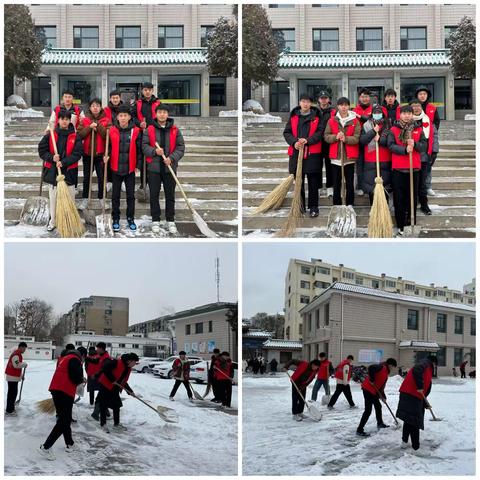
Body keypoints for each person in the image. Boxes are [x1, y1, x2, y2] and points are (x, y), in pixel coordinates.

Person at [142, 104, 185, 235]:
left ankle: (170, 220)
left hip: (169, 168)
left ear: (167, 114)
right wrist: (155, 151)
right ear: (156, 114)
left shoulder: (175, 130)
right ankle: (155, 220)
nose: (162, 114)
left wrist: (171, 158)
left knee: (170, 195)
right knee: (154, 195)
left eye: (164, 112)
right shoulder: (149, 130)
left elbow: (181, 147)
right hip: (154, 169)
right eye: (159, 112)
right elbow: (144, 146)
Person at [38, 109, 83, 232]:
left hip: (69, 172)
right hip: (53, 173)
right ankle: (53, 221)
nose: (64, 121)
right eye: (62, 119)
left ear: (70, 121)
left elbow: (77, 154)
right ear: (58, 120)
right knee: (53, 199)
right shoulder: (51, 135)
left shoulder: (75, 136)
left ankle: (69, 221)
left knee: (70, 199)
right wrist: (52, 158)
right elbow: (42, 150)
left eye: (67, 119)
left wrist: (63, 162)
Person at [387, 105, 428, 236]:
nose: (407, 115)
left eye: (409, 113)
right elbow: (390, 146)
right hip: (399, 169)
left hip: (413, 168)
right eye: (404, 113)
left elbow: (423, 146)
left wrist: (414, 144)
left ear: (412, 114)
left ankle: (411, 223)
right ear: (400, 115)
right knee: (399, 199)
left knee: (412, 198)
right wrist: (404, 150)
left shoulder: (418, 129)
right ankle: (400, 225)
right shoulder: (393, 129)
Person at [39, 348, 85, 460]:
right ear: (82, 355)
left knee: (65, 419)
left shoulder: (66, 358)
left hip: (57, 389)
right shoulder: (75, 360)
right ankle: (45, 448)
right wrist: (81, 379)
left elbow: (68, 373)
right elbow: (75, 377)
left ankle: (70, 444)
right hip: (64, 391)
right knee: (63, 421)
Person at [283, 94, 324, 217]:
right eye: (303, 101)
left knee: (313, 182)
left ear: (311, 103)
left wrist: (308, 140)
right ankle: (300, 206)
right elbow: (287, 132)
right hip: (296, 154)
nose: (305, 104)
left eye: (308, 102)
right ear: (300, 102)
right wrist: (294, 142)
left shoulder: (317, 117)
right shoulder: (294, 116)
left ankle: (313, 207)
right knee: (298, 181)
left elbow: (320, 132)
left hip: (312, 154)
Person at [106, 104, 142, 232]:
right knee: (115, 195)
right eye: (120, 115)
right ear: (117, 117)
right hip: (115, 168)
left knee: (130, 196)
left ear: (129, 117)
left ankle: (130, 218)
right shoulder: (112, 130)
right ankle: (115, 218)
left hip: (130, 169)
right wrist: (107, 156)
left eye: (125, 115)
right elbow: (108, 148)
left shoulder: (136, 131)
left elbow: (139, 150)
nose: (122, 118)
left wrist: (138, 165)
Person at [396, 354, 437, 453]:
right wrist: (419, 386)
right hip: (412, 394)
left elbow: (426, 388)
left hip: (409, 393)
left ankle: (404, 442)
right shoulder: (426, 363)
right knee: (415, 420)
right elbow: (417, 370)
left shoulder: (427, 367)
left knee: (408, 418)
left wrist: (424, 403)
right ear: (434, 363)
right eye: (435, 365)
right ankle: (416, 447)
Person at [324, 97, 361, 207]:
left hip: (349, 158)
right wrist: (336, 137)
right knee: (336, 183)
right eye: (341, 105)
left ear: (349, 106)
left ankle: (350, 204)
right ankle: (337, 205)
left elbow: (357, 137)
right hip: (336, 158)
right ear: (338, 106)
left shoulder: (355, 121)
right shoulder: (332, 120)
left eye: (346, 105)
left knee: (349, 183)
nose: (343, 107)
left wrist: (346, 139)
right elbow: (326, 136)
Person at [77, 98, 111, 200]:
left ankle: (102, 198)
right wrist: (89, 127)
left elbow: (107, 135)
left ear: (101, 107)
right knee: (87, 177)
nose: (95, 108)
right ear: (90, 108)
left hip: (101, 154)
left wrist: (98, 126)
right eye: (93, 106)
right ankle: (85, 197)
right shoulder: (85, 120)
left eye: (97, 106)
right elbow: (79, 135)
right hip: (88, 154)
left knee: (101, 177)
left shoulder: (106, 120)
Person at [96, 353, 139, 433]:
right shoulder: (116, 362)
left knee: (117, 405)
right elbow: (105, 368)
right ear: (129, 361)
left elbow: (123, 382)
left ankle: (116, 424)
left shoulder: (127, 368)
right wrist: (112, 379)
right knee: (103, 404)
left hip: (114, 388)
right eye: (134, 363)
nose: (134, 365)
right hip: (105, 385)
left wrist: (130, 392)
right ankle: (103, 424)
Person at [356, 358, 398, 436]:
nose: (392, 369)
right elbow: (371, 368)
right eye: (392, 367)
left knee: (378, 406)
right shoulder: (382, 367)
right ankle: (359, 429)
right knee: (368, 410)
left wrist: (383, 397)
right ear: (390, 365)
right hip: (368, 389)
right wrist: (372, 379)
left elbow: (381, 387)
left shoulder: (386, 373)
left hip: (374, 391)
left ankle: (380, 423)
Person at [359, 104, 392, 205]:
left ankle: (384, 208)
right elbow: (362, 141)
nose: (377, 114)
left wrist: (380, 139)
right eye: (375, 113)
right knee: (371, 186)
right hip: (370, 159)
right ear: (372, 114)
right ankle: (374, 209)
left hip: (385, 159)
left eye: (379, 113)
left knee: (384, 185)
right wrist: (373, 131)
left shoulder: (388, 125)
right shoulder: (366, 125)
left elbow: (390, 141)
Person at [410, 99, 438, 215]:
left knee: (422, 183)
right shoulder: (406, 120)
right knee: (411, 182)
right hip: (410, 157)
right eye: (414, 106)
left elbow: (434, 136)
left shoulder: (428, 120)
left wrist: (434, 151)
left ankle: (424, 204)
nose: (416, 108)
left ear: (421, 107)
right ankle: (413, 202)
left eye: (418, 106)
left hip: (424, 157)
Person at [132, 82, 161, 193]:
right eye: (145, 90)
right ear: (142, 91)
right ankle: (143, 183)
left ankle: (153, 183)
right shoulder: (137, 103)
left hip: (155, 133)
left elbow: (162, 117)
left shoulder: (158, 103)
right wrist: (139, 123)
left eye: (149, 89)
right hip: (141, 133)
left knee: (153, 157)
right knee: (143, 158)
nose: (147, 91)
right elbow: (133, 117)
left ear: (152, 91)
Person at [416, 85, 440, 196]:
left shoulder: (432, 108)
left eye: (424, 94)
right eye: (420, 94)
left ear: (427, 95)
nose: (422, 96)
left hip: (429, 139)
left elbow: (436, 124)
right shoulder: (414, 107)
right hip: (417, 139)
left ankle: (428, 186)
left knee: (428, 165)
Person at [86, 342, 111, 420]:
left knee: (101, 398)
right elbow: (95, 361)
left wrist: (95, 375)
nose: (96, 350)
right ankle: (102, 412)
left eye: (97, 348)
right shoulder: (101, 356)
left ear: (101, 349)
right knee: (101, 397)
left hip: (105, 381)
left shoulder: (106, 358)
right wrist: (86, 358)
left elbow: (104, 370)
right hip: (101, 380)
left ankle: (97, 413)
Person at [317, 91, 335, 197]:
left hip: (329, 142)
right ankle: (318, 186)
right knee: (317, 165)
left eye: (325, 98)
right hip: (317, 142)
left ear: (328, 99)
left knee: (330, 165)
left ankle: (330, 186)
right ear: (319, 100)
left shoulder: (333, 111)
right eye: (321, 98)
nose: (323, 100)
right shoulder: (314, 111)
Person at [5, 342, 28, 416]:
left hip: (13, 377)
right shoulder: (16, 355)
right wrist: (24, 364)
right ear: (21, 347)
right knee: (12, 394)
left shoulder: (17, 354)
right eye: (24, 348)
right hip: (12, 378)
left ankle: (11, 407)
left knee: (13, 393)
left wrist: (21, 376)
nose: (24, 350)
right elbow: (16, 365)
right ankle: (9, 410)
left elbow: (16, 367)